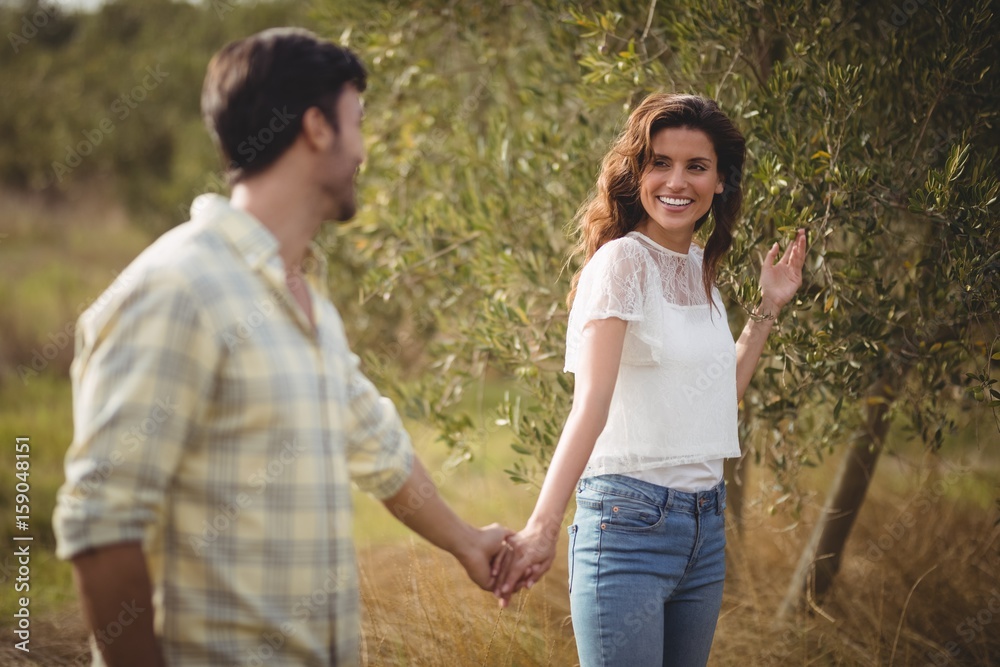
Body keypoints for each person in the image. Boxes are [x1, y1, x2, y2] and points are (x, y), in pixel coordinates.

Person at [53, 28, 511, 667]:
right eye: (358, 123)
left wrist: (467, 542)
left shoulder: (309, 304)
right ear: (317, 127)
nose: (364, 151)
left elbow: (376, 446)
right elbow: (100, 526)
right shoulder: (179, 288)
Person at [491, 93, 807, 666]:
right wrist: (542, 526)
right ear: (636, 172)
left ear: (720, 183)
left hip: (705, 528)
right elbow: (591, 401)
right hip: (628, 525)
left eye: (696, 166)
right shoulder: (622, 263)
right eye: (659, 162)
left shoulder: (698, 270)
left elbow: (715, 399)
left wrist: (768, 307)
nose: (675, 181)